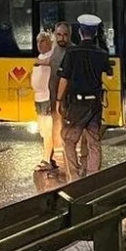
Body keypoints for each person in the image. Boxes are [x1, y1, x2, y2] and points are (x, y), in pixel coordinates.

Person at [56, 13, 112, 179]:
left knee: (69, 140)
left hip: (77, 105)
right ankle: (93, 176)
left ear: (79, 32)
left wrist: (59, 100)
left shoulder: (72, 52)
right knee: (94, 141)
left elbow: (64, 79)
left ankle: (74, 177)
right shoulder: (102, 53)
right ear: (95, 33)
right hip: (95, 104)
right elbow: (109, 75)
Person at [30, 30, 56, 172]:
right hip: (39, 99)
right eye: (38, 42)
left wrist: (39, 62)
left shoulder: (51, 55)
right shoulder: (41, 56)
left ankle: (47, 159)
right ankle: (48, 157)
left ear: (50, 42)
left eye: (43, 41)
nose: (39, 44)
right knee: (43, 131)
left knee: (48, 130)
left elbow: (51, 63)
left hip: (47, 98)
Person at [47, 21, 70, 172]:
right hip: (54, 96)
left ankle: (70, 162)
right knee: (56, 125)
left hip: (68, 98)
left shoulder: (73, 51)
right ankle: (55, 156)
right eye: (59, 35)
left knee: (68, 129)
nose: (62, 38)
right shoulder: (54, 50)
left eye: (65, 35)